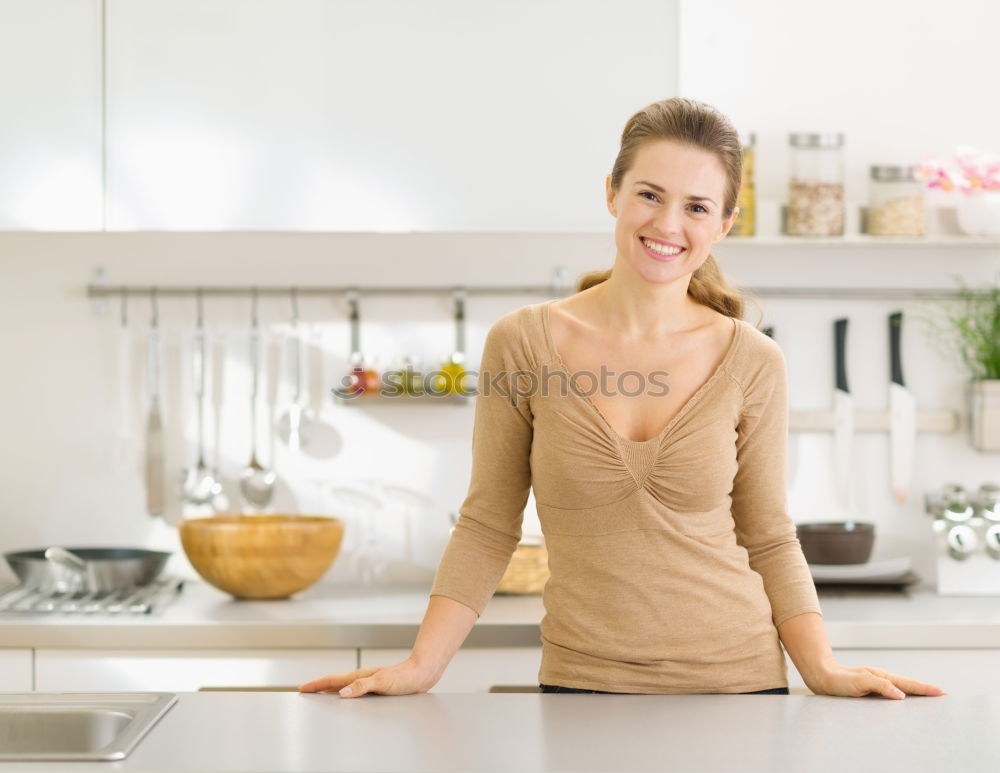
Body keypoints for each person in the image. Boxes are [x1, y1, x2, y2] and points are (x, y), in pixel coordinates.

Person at [300, 97, 946, 699]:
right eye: (649, 194)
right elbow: (488, 521)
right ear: (612, 194)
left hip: (740, 686)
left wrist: (822, 668)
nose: (668, 224)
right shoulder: (524, 342)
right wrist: (421, 667)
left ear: (724, 223)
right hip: (583, 683)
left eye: (696, 206)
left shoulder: (752, 358)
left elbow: (769, 535)